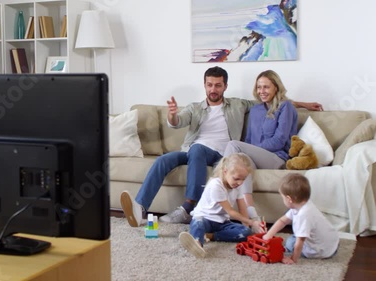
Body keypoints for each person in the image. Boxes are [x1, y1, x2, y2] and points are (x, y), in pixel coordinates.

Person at [120, 66, 323, 227]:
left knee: (198, 150)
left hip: (219, 154)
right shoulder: (194, 108)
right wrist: (172, 114)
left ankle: (189, 206)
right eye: (210, 85)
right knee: (165, 159)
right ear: (205, 85)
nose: (213, 89)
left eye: (218, 85)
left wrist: (303, 104)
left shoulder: (238, 105)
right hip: (193, 150)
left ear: (225, 86)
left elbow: (274, 101)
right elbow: (176, 122)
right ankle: (140, 208)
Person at [223, 70, 298, 224]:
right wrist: (249, 151)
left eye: (266, 87)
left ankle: (220, 194)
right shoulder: (255, 110)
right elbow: (249, 139)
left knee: (233, 145)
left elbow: (279, 140)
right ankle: (251, 214)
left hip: (277, 158)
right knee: (241, 160)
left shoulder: (286, 107)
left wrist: (253, 149)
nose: (261, 91)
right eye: (259, 87)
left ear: (276, 87)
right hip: (256, 158)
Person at [178, 153, 262, 258]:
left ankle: (210, 236)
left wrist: (246, 228)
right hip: (205, 218)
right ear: (225, 171)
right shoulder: (216, 185)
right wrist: (252, 222)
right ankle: (198, 243)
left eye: (243, 179)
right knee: (198, 223)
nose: (240, 183)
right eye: (236, 178)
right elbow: (230, 211)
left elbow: (242, 208)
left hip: (222, 223)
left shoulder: (238, 186)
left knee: (245, 232)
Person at [263, 173, 339, 264]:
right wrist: (268, 235)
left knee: (290, 243)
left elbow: (300, 241)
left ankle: (300, 255)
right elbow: (282, 221)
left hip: (322, 251)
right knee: (293, 238)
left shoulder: (303, 215)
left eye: (282, 198)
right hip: (332, 243)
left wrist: (293, 259)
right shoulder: (303, 204)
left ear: (289, 199)